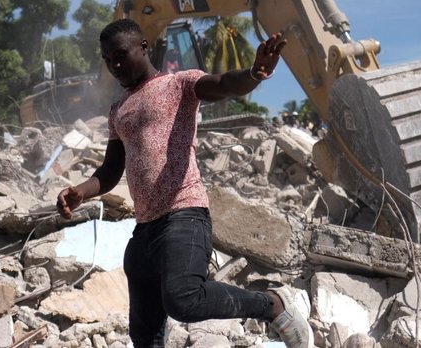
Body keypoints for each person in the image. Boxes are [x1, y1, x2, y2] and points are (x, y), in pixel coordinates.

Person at [56, 19, 313, 348]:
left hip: (184, 214)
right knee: (144, 336)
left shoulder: (179, 84)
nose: (115, 65)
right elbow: (109, 170)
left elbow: (222, 84)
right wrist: (81, 191)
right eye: (108, 60)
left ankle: (270, 305)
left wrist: (253, 74)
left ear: (144, 47)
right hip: (145, 227)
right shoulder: (118, 110)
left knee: (184, 299)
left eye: (120, 55)